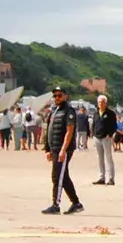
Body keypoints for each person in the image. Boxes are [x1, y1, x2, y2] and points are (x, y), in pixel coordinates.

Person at [41, 86, 84, 215]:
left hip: (63, 149)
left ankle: (56, 204)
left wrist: (63, 150)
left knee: (57, 176)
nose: (57, 98)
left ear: (66, 96)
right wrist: (47, 149)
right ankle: (76, 204)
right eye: (55, 96)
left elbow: (69, 131)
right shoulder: (53, 111)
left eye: (60, 95)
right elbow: (48, 130)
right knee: (63, 177)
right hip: (54, 147)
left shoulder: (69, 111)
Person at [91, 95, 117, 186]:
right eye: (99, 102)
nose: (100, 104)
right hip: (97, 138)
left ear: (106, 103)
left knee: (108, 158)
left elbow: (114, 126)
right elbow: (93, 124)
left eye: (102, 102)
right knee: (100, 158)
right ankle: (102, 177)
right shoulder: (96, 113)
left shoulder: (110, 113)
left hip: (106, 138)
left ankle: (111, 178)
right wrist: (93, 134)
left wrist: (109, 135)